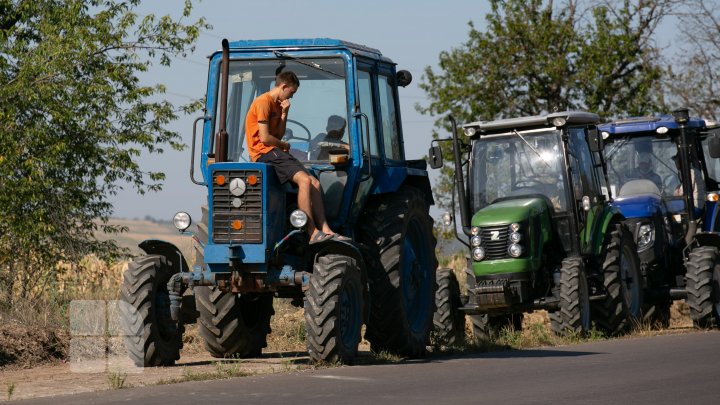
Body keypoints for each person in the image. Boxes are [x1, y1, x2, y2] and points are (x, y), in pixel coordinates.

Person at [244, 71, 348, 243]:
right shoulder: (264, 102)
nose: (291, 97)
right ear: (283, 86)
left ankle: (326, 230)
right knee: (304, 181)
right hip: (264, 153)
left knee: (314, 181)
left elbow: (278, 133)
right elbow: (265, 138)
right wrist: (284, 145)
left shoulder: (278, 105)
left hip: (275, 151)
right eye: (291, 92)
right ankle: (312, 231)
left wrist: (285, 114)